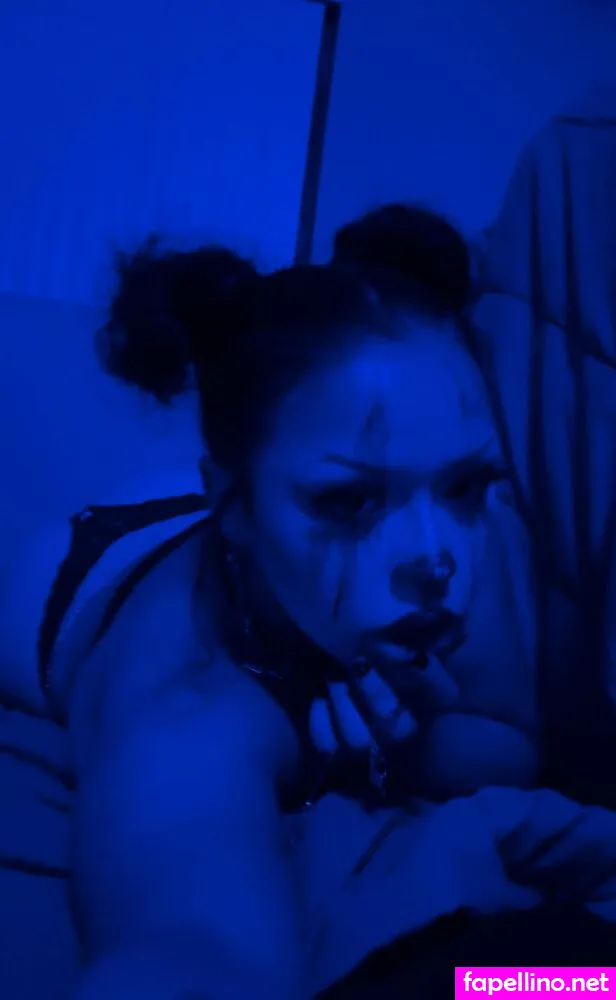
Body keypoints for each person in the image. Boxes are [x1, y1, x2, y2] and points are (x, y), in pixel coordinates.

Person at [28, 206, 616, 1000]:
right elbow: (192, 951)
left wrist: (411, 749)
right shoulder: (184, 701)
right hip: (89, 561)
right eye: (350, 503)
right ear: (231, 502)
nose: (435, 559)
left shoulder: (450, 546)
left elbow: (507, 744)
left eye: (465, 485)